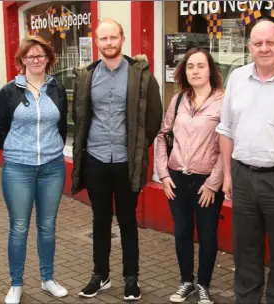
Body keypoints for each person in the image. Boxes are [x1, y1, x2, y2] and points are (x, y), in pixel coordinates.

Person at [71, 18, 163, 301]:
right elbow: (80, 115)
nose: (109, 43)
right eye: (103, 39)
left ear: (122, 39)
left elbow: (153, 119)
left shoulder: (141, 75)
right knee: (100, 219)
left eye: (113, 37)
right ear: (97, 42)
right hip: (96, 159)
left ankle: (131, 276)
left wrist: (137, 146)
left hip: (126, 162)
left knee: (127, 221)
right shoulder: (88, 75)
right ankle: (101, 275)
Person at [216, 19, 274, 304]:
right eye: (257, 43)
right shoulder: (237, 78)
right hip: (243, 179)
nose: (264, 48)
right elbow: (226, 130)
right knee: (246, 251)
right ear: (249, 46)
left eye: (270, 43)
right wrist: (228, 176)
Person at [0, 36, 68, 304]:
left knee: (47, 226)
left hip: (52, 167)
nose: (36, 60)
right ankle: (15, 284)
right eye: (30, 56)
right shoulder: (8, 92)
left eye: (41, 55)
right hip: (18, 169)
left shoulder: (57, 89)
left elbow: (61, 126)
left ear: (48, 58)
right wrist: (17, 149)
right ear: (22, 59)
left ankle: (48, 279)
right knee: (20, 226)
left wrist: (52, 149)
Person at [156, 48, 225, 304]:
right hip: (177, 179)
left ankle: (203, 285)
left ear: (211, 70)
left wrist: (213, 183)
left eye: (201, 66)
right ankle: (186, 281)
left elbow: (227, 145)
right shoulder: (177, 100)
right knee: (182, 232)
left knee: (207, 234)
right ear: (185, 71)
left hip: (207, 182)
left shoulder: (223, 101)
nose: (195, 71)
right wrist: (163, 174)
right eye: (190, 66)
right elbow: (162, 135)